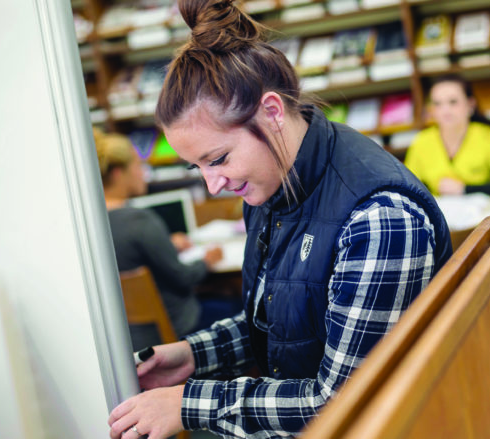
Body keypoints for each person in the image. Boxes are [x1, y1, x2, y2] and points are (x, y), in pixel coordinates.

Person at [107, 1, 452, 438]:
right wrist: (195, 355)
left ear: (271, 112)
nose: (213, 186)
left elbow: (344, 402)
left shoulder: (379, 220)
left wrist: (190, 404)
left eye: (218, 159)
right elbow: (290, 316)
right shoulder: (276, 183)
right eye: (199, 168)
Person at [95, 127, 226, 351]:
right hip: (176, 330)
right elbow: (183, 277)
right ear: (118, 173)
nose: (143, 172)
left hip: (132, 339)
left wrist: (167, 245)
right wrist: (208, 260)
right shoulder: (140, 221)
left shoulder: (95, 225)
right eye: (137, 165)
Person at [404, 74, 490, 196]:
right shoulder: (421, 141)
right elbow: (408, 188)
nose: (445, 110)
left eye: (453, 102)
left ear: (470, 105)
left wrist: (465, 189)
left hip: (482, 211)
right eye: (437, 104)